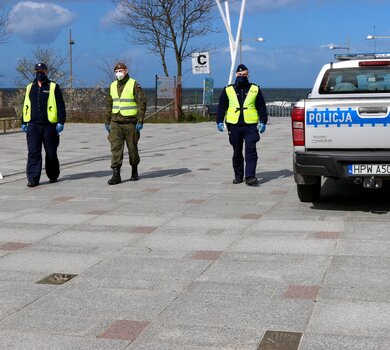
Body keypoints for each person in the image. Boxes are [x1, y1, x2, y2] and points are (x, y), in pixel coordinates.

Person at [216, 64, 268, 186]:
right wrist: (219, 121)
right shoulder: (228, 89)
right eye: (239, 75)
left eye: (244, 75)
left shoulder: (255, 89)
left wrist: (263, 121)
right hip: (234, 125)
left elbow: (261, 106)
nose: (241, 77)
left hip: (250, 125)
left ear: (248, 75)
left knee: (251, 150)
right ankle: (238, 176)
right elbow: (222, 106)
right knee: (237, 151)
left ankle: (250, 176)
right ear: (236, 75)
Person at [21, 62, 66, 187]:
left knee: (51, 152)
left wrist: (61, 122)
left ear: (46, 72)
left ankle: (53, 175)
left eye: (42, 71)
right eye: (37, 71)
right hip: (33, 126)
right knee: (33, 153)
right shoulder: (30, 87)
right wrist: (23, 121)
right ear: (35, 72)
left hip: (49, 126)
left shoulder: (53, 87)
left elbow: (61, 105)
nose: (39, 73)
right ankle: (33, 179)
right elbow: (26, 105)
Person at [105, 62, 146, 185]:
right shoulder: (112, 85)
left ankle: (134, 170)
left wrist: (140, 120)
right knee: (115, 148)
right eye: (116, 72)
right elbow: (109, 104)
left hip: (130, 123)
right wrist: (107, 121)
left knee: (132, 148)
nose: (118, 73)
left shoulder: (134, 84)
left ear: (126, 71)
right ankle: (116, 175)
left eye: (121, 71)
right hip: (116, 122)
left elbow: (141, 102)